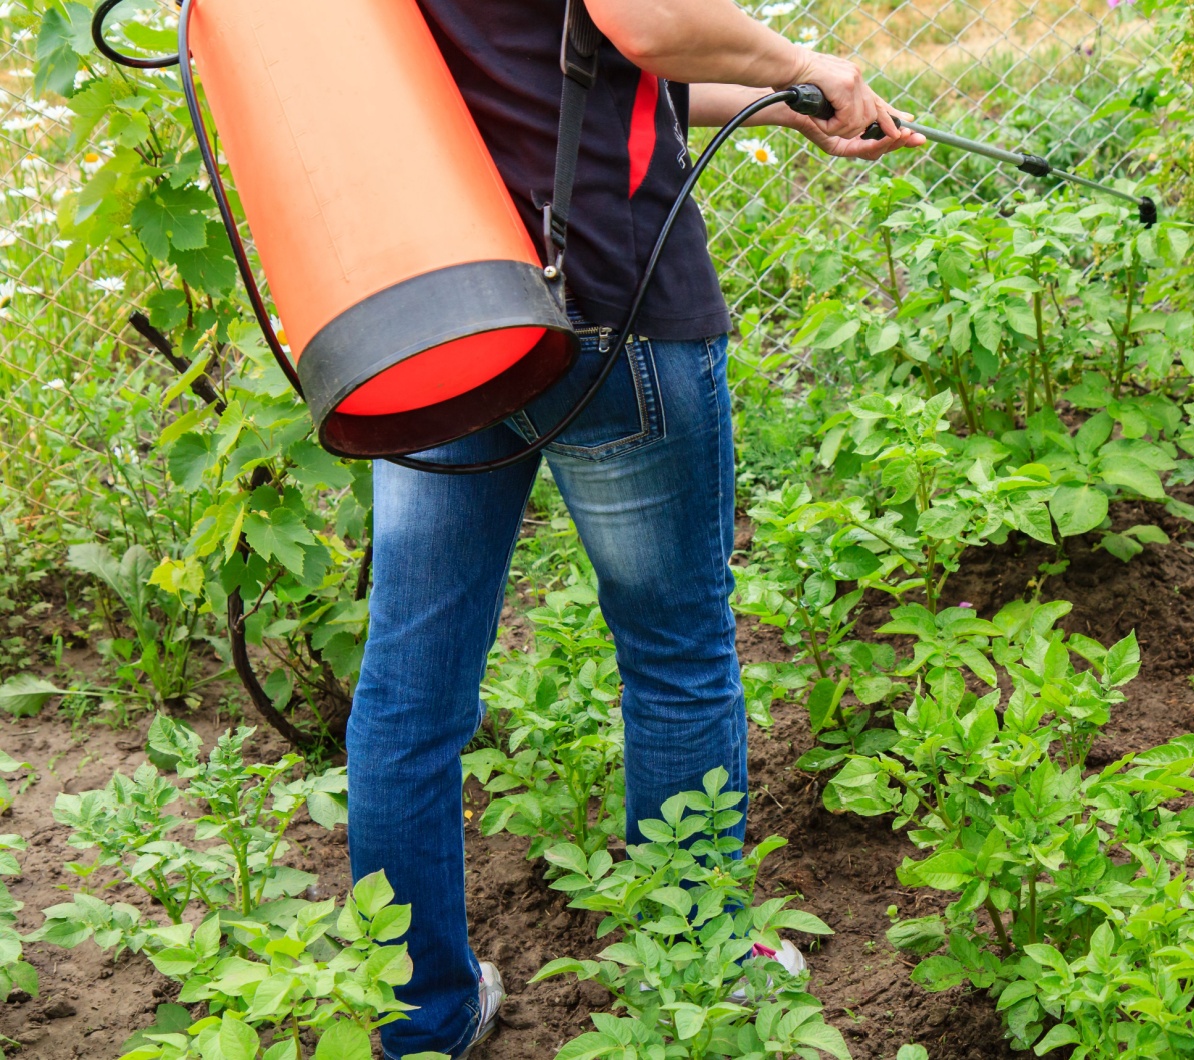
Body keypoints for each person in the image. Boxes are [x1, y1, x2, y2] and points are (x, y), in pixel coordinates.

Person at [343, 0, 924, 1056]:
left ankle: (418, 1019)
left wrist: (770, 101)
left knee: (409, 690)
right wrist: (807, 63)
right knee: (674, 654)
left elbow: (548, 60)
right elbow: (648, 21)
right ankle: (695, 975)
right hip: (608, 304)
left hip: (432, 313)